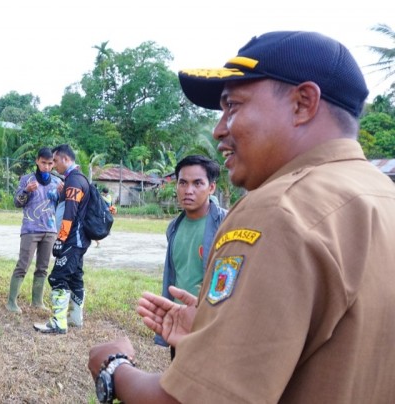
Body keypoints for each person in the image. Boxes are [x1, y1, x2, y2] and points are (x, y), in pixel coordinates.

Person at [88, 31, 395, 403]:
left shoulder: (279, 210)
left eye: (233, 106)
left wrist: (113, 368)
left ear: (303, 103)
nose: (219, 129)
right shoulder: (381, 197)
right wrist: (218, 334)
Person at [154, 155, 226, 359]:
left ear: (211, 188)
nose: (189, 190)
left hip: (212, 324)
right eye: (183, 183)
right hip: (180, 321)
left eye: (198, 183)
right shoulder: (173, 228)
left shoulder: (227, 224)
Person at [34, 144, 92, 334]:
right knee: (75, 277)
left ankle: (58, 323)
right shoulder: (76, 179)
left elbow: (70, 213)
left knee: (58, 277)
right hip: (79, 239)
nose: (54, 165)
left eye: (56, 161)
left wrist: (61, 239)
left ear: (66, 159)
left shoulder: (74, 181)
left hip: (72, 240)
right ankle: (76, 318)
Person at [6, 147, 63, 313]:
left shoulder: (57, 182)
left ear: (53, 164)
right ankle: (11, 302)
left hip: (50, 229)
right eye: (43, 162)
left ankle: (37, 301)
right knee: (23, 265)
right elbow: (17, 202)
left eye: (50, 163)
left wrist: (61, 194)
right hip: (31, 229)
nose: (46, 166)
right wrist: (26, 191)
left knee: (43, 267)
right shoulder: (27, 179)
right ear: (37, 161)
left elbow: (59, 205)